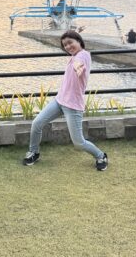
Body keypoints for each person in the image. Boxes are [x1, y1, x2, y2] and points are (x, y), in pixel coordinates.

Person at [23, 30, 109, 171]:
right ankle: (34, 152)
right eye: (65, 45)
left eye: (70, 42)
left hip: (73, 106)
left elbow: (79, 63)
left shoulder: (83, 55)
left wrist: (78, 67)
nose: (68, 47)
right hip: (59, 101)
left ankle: (101, 156)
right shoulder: (73, 56)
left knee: (78, 143)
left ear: (79, 41)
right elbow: (75, 62)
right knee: (37, 123)